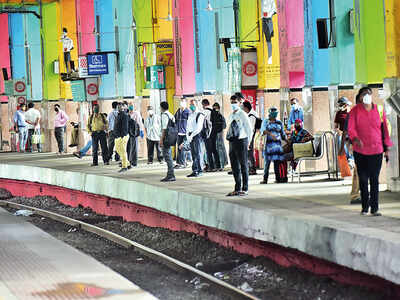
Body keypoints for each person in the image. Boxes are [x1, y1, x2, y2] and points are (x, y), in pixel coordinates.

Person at [348, 87, 393, 216]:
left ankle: (375, 208)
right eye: (364, 94)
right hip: (360, 151)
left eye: (369, 94)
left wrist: (387, 148)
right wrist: (355, 138)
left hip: (376, 150)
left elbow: (385, 130)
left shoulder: (379, 110)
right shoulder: (355, 111)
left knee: (374, 179)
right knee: (363, 179)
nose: (367, 96)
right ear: (360, 97)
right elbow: (351, 128)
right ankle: (364, 206)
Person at [226, 95, 252, 196]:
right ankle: (237, 187)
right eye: (231, 102)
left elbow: (249, 129)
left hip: (242, 141)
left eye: (235, 102)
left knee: (243, 165)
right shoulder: (232, 114)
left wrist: (248, 143)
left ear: (239, 103)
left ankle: (245, 188)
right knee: (234, 166)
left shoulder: (243, 114)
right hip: (232, 141)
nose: (233, 104)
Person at [260, 107, 287, 184]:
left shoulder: (279, 122)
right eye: (273, 113)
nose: (274, 115)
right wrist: (271, 134)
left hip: (277, 146)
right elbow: (263, 130)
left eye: (275, 113)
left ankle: (278, 178)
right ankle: (265, 179)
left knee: (277, 163)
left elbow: (282, 134)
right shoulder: (266, 121)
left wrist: (287, 140)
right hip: (268, 146)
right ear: (270, 113)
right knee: (267, 163)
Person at [185, 100, 205, 177]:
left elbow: (198, 128)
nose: (191, 106)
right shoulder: (190, 114)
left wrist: (191, 135)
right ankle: (195, 170)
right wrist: (188, 136)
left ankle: (200, 170)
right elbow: (187, 126)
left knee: (199, 153)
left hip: (197, 135)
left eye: (192, 104)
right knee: (193, 154)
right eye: (190, 104)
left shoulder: (200, 114)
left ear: (197, 105)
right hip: (190, 135)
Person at [160, 101, 176, 182]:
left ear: (161, 108)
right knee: (168, 155)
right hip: (171, 137)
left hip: (166, 138)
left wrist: (161, 140)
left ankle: (171, 175)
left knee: (167, 156)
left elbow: (164, 129)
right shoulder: (171, 115)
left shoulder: (164, 115)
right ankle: (170, 174)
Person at [209, 102, 228, 171]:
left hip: (218, 134)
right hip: (215, 134)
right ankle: (218, 165)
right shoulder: (214, 115)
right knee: (216, 149)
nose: (215, 110)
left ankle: (221, 165)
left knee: (219, 149)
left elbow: (224, 126)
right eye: (214, 108)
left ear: (219, 108)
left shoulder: (220, 116)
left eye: (216, 108)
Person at [242, 101, 259, 175]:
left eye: (243, 108)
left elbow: (251, 129)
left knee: (250, 152)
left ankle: (252, 169)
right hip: (248, 135)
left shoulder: (252, 115)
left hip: (251, 135)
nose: (242, 109)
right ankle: (249, 168)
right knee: (248, 152)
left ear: (246, 108)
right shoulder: (248, 114)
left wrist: (249, 140)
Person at [335, 97, 353, 163]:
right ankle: (349, 158)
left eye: (341, 105)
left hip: (351, 132)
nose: (340, 106)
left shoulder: (351, 112)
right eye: (339, 105)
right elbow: (336, 126)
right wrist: (338, 131)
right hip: (342, 133)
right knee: (340, 141)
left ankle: (352, 158)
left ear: (345, 105)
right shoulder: (338, 113)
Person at [114, 103, 130, 172]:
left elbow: (125, 126)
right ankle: (127, 163)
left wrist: (123, 136)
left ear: (123, 108)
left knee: (123, 151)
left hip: (122, 136)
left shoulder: (124, 115)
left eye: (120, 107)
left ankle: (124, 167)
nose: (119, 108)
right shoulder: (118, 115)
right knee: (117, 149)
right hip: (117, 136)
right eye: (118, 107)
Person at [174, 99, 190, 169]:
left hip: (185, 133)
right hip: (178, 133)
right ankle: (179, 163)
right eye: (181, 102)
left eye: (183, 102)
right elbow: (174, 120)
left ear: (186, 103)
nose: (181, 103)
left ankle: (183, 163)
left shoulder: (188, 112)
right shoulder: (178, 111)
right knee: (179, 148)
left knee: (182, 147)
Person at [201, 99, 214, 172]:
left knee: (207, 151)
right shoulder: (213, 111)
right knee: (211, 151)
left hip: (207, 133)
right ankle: (211, 165)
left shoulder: (205, 111)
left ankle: (210, 166)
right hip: (213, 133)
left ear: (203, 104)